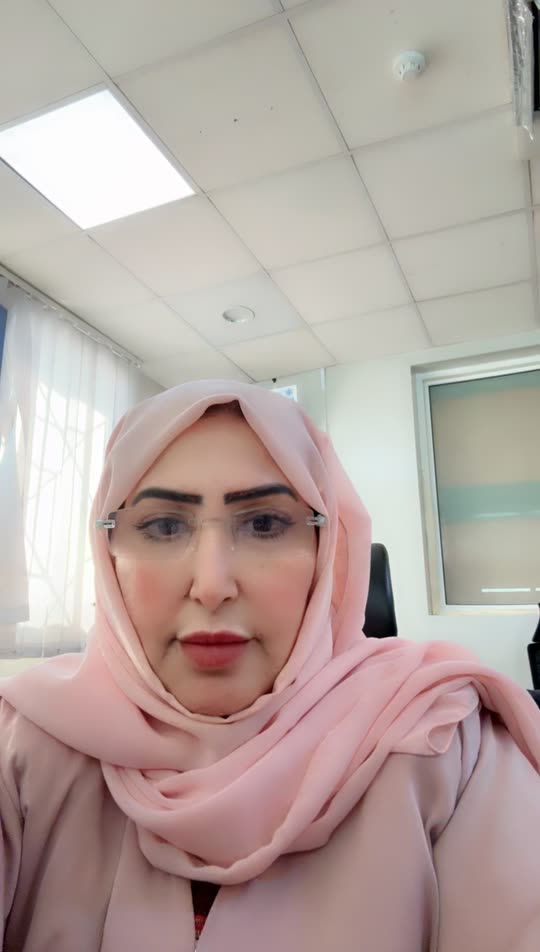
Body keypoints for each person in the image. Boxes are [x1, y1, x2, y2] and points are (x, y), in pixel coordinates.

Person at [1, 378, 540, 952]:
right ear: (107, 552)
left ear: (327, 552)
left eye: (263, 524)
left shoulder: (447, 740)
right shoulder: (25, 740)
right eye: (164, 526)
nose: (212, 586)